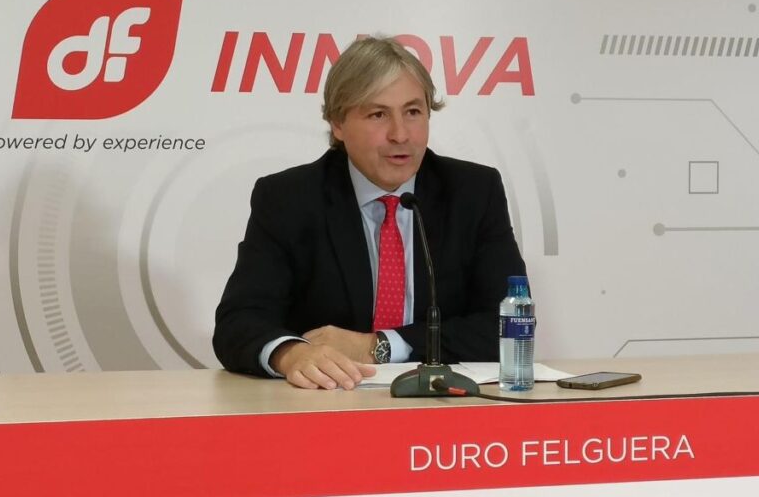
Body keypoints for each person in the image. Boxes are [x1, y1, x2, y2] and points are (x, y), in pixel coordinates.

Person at [213, 36, 526, 390]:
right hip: (329, 401)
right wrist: (290, 354)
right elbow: (239, 322)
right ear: (338, 123)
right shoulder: (289, 199)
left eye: (413, 112)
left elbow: (508, 324)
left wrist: (377, 345)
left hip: (445, 402)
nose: (400, 134)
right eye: (378, 114)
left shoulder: (473, 192)